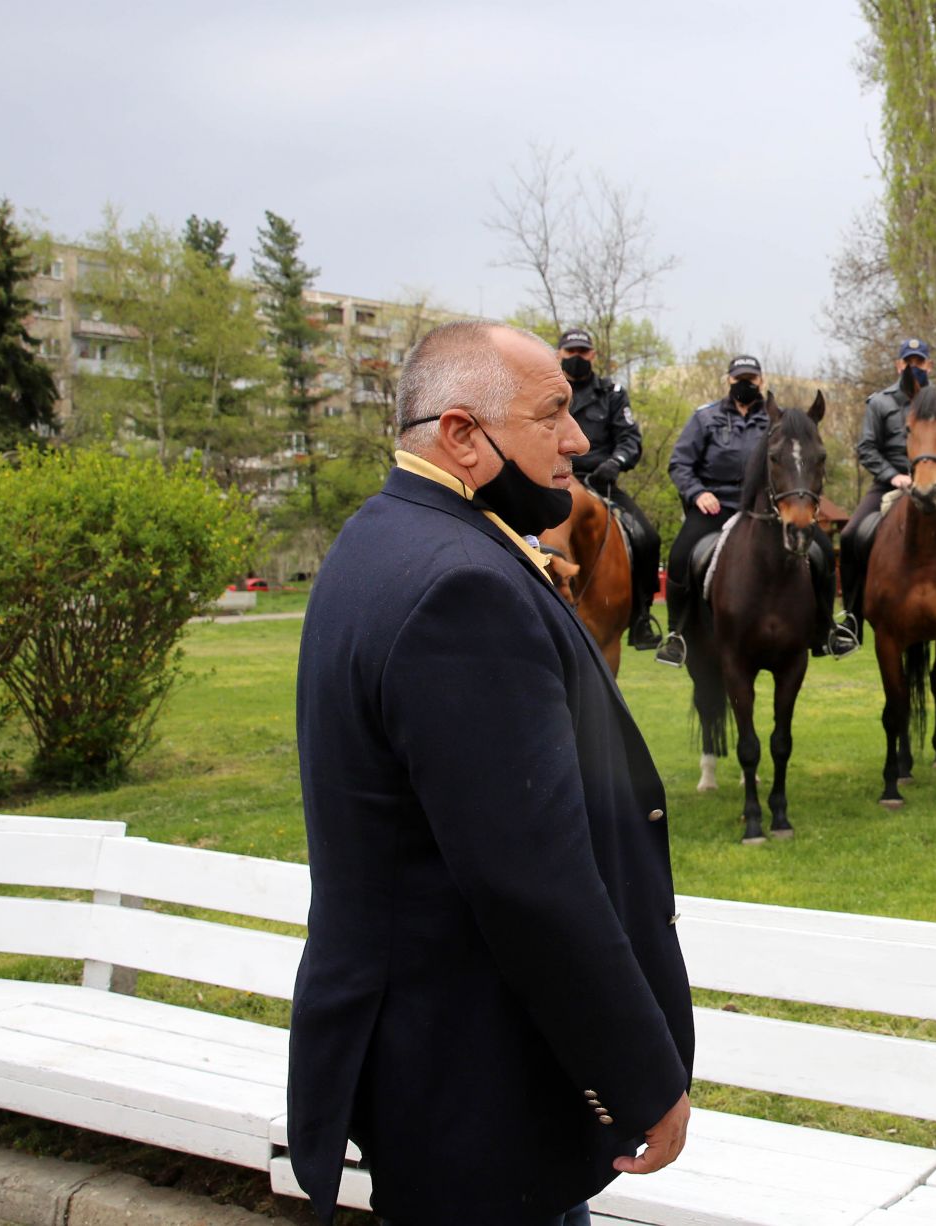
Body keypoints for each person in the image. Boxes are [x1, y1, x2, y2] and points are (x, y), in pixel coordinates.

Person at [289, 322, 694, 1226]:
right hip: (479, 1078)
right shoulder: (459, 586)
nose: (579, 439)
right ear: (463, 435)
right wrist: (641, 1073)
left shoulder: (388, 533)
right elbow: (530, 879)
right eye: (552, 415)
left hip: (446, 1062)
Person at [656, 354, 855, 667]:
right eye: (740, 379)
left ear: (761, 382)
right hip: (715, 507)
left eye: (751, 379)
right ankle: (676, 634)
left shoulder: (779, 421)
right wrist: (698, 493)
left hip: (769, 511)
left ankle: (827, 629)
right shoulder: (704, 418)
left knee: (823, 553)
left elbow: (800, 462)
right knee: (681, 554)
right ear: (729, 381)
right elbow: (680, 463)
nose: (746, 384)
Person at [838, 337, 936, 643]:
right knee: (850, 536)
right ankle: (852, 618)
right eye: (908, 362)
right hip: (889, 484)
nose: (914, 367)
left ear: (929, 365)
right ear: (899, 366)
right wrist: (893, 476)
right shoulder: (880, 403)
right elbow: (867, 447)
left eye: (919, 362)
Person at [558, 328, 662, 650]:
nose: (577, 357)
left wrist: (615, 462)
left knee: (647, 537)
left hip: (600, 483)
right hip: (553, 482)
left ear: (594, 355)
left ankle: (642, 617)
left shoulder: (612, 393)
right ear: (559, 354)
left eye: (583, 352)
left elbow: (630, 439)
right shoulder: (546, 391)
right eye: (571, 351)